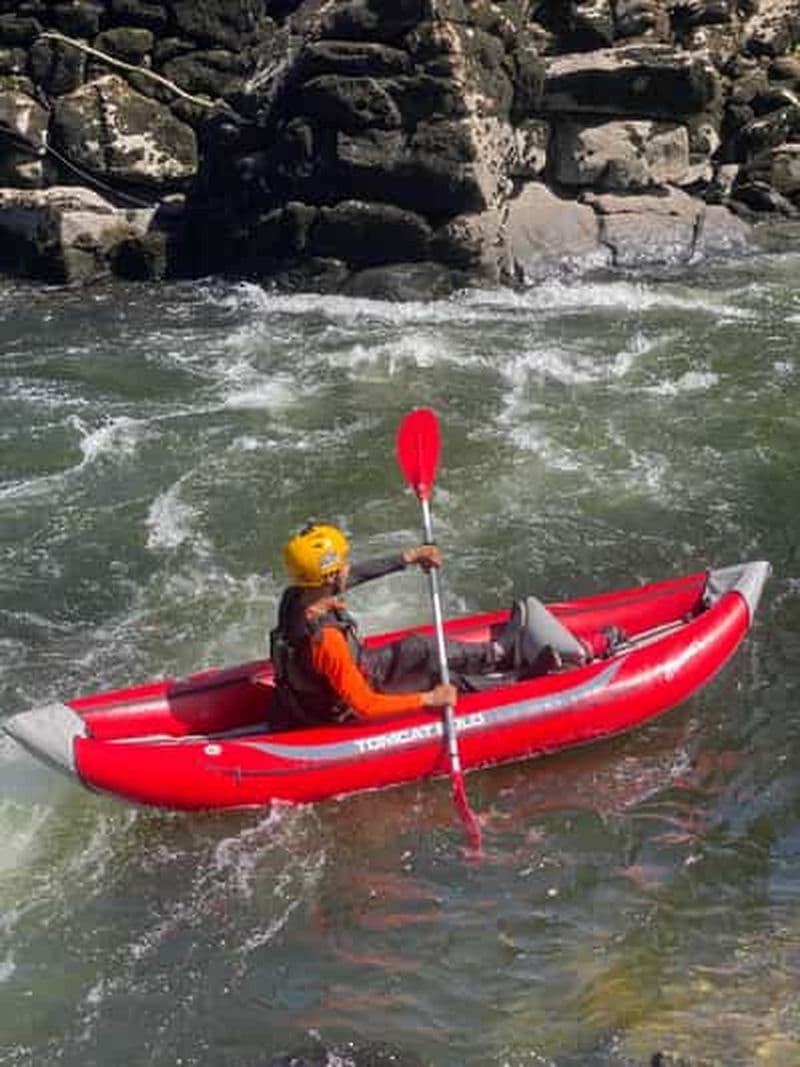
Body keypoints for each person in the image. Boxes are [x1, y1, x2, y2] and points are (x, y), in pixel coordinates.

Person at [268, 522, 543, 730]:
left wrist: (409, 557)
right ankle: (519, 682)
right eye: (343, 564)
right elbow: (365, 706)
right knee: (439, 679)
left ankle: (496, 653)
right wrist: (429, 699)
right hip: (341, 708)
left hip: (354, 672)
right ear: (330, 576)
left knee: (419, 646)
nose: (348, 568)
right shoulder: (327, 640)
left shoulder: (297, 595)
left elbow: (357, 575)